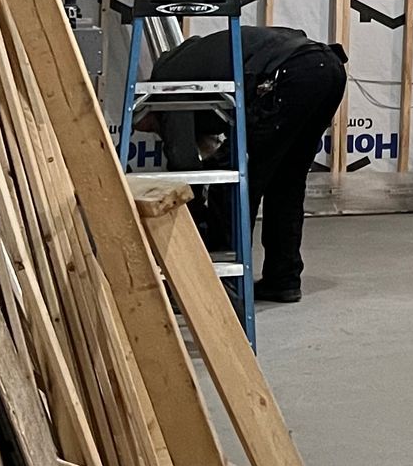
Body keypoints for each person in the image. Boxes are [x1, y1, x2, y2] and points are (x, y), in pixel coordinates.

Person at [141, 25, 347, 305]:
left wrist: (196, 209)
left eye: (156, 129)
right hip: (327, 68)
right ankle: (282, 279)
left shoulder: (168, 84)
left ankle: (224, 287)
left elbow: (182, 162)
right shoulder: (203, 61)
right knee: (286, 183)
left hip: (290, 75)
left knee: (231, 181)